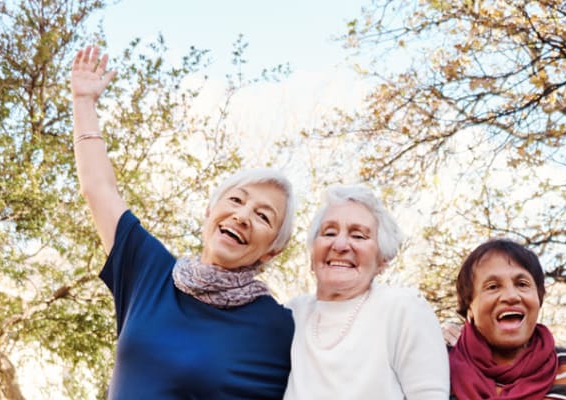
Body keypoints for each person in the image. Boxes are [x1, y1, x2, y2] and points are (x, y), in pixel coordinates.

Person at [70, 45, 297, 399]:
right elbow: (99, 189)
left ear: (272, 251)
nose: (242, 215)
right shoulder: (150, 271)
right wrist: (83, 102)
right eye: (236, 200)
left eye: (263, 216)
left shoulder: (280, 328)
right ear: (210, 212)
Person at [284, 186, 449, 400]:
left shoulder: (402, 307)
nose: (340, 245)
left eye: (359, 236)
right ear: (312, 253)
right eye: (329, 233)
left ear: (382, 260)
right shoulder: (293, 314)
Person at [448, 239, 566, 400]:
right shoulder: (441, 365)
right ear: (469, 307)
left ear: (539, 297)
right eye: (493, 286)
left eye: (522, 284)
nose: (511, 296)